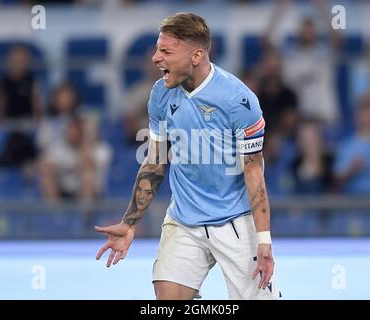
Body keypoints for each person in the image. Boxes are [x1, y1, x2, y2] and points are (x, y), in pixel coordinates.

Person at [95, 12, 281, 300]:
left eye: (166, 51)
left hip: (235, 221)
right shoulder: (160, 94)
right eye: (158, 49)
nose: (156, 58)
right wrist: (130, 222)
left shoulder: (238, 100)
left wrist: (264, 240)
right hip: (185, 220)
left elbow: (254, 172)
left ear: (196, 56)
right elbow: (155, 161)